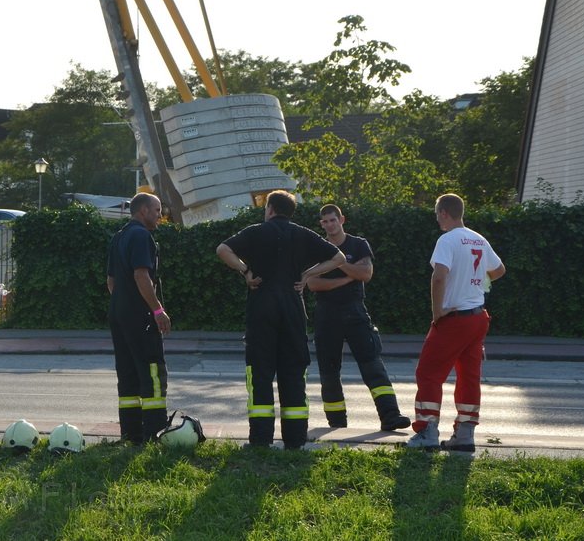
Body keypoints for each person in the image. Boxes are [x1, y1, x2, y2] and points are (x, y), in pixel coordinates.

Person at [216, 190, 345, 449]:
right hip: (292, 307)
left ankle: (261, 439)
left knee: (261, 371)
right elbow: (338, 258)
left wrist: (245, 271)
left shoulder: (255, 232)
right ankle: (295, 439)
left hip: (261, 305)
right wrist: (307, 274)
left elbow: (223, 249)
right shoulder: (302, 234)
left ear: (271, 209)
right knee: (294, 371)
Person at [407, 193, 505, 452]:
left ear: (443, 213)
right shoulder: (479, 239)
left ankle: (427, 431)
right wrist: (477, 282)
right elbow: (499, 270)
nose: (437, 218)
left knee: (428, 373)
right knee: (469, 376)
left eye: (437, 214)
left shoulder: (447, 240)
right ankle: (465, 435)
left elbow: (438, 277)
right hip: (478, 317)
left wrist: (437, 312)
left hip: (455, 318)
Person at [306, 204, 411, 432]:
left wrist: (338, 261)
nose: (329, 225)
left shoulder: (358, 244)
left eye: (333, 220)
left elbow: (365, 274)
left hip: (354, 311)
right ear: (321, 224)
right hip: (326, 314)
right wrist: (345, 279)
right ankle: (336, 423)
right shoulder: (316, 248)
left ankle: (390, 415)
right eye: (325, 221)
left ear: (342, 219)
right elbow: (312, 283)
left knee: (372, 364)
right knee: (329, 371)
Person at [106, 192, 172, 444]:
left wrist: (124, 304)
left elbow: (111, 281)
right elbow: (141, 276)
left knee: (128, 373)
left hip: (119, 313)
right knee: (152, 372)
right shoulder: (142, 236)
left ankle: (131, 435)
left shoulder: (119, 236)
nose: (159, 215)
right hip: (141, 316)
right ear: (143, 211)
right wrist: (157, 310)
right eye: (156, 210)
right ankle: (156, 433)